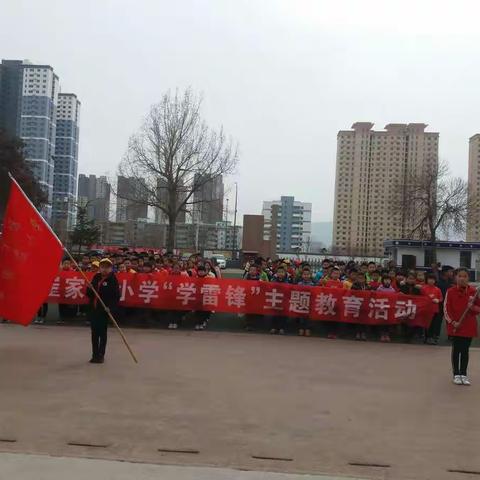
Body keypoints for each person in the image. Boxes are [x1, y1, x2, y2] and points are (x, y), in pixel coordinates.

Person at [444, 268, 480, 385]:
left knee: (465, 350)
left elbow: (478, 309)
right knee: (456, 349)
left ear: (468, 278)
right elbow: (446, 309)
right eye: (460, 276)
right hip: (456, 326)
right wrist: (453, 322)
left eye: (465, 276)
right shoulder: (450, 291)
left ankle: (463, 374)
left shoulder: (474, 292)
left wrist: (473, 307)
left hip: (468, 325)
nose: (462, 278)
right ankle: (456, 374)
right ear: (456, 278)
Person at [86, 258, 120, 364]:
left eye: (107, 267)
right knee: (94, 333)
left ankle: (101, 355)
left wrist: (110, 307)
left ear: (111, 268)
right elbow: (89, 295)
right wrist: (90, 288)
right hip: (94, 309)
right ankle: (94, 354)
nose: (105, 269)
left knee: (102, 333)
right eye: (103, 267)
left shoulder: (113, 279)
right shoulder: (96, 277)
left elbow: (116, 296)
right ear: (100, 268)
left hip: (104, 310)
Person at [422, 273, 443, 345]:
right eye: (429, 279)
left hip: (434, 310)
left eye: (433, 279)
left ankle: (431, 337)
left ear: (435, 280)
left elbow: (441, 298)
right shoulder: (423, 288)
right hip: (426, 309)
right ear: (427, 280)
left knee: (433, 324)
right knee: (426, 323)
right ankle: (426, 337)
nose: (431, 281)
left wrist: (438, 300)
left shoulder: (437, 289)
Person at [269, 264, 290, 334]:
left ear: (285, 273)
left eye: (282, 272)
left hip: (284, 300)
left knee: (283, 315)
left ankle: (282, 328)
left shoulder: (288, 280)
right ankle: (274, 327)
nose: (280, 273)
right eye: (279, 272)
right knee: (274, 314)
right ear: (276, 273)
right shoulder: (274, 280)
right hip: (275, 299)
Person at [296, 267, 315, 337]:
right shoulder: (299, 283)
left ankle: (307, 329)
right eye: (304, 274)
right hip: (301, 302)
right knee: (301, 317)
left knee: (308, 317)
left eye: (307, 274)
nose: (306, 276)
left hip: (309, 302)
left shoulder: (312, 284)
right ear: (302, 275)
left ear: (310, 275)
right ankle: (301, 329)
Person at [351, 272, 370, 341]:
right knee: (358, 320)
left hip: (365, 305)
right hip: (357, 305)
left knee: (364, 320)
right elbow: (351, 293)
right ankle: (358, 333)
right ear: (356, 279)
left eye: (362, 278)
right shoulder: (354, 285)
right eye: (359, 278)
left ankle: (364, 333)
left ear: (365, 279)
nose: (361, 279)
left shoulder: (368, 286)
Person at [377, 274, 396, 342]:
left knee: (388, 323)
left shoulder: (392, 290)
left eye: (388, 280)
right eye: (385, 280)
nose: (387, 281)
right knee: (382, 322)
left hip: (389, 309)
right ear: (382, 281)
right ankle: (382, 335)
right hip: (381, 308)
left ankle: (387, 335)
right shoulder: (379, 289)